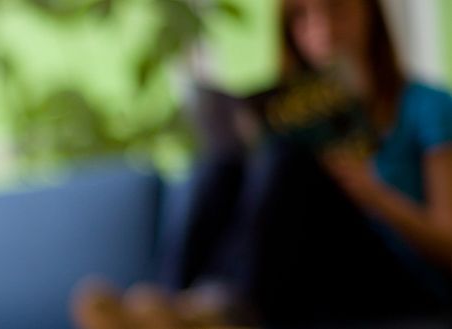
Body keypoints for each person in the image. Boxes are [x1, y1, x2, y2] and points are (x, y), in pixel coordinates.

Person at [169, 0, 452, 325]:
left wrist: (374, 195)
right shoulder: (293, 119)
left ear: (369, 14)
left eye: (337, 10)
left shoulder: (428, 105)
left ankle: (227, 313)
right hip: (314, 276)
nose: (323, 31)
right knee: (222, 162)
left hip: (401, 277)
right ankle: (168, 305)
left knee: (287, 159)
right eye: (302, 17)